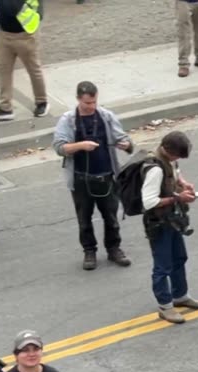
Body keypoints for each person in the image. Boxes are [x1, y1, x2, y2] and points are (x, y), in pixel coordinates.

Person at [52, 81, 135, 269]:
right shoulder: (68, 120)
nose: (91, 107)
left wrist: (127, 145)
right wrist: (81, 145)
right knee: (84, 219)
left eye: (94, 102)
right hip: (81, 179)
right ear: (78, 100)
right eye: (87, 103)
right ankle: (89, 252)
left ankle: (114, 249)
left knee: (111, 217)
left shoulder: (106, 116)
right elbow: (59, 147)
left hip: (106, 176)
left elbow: (125, 140)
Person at [140, 131, 198, 324]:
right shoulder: (155, 169)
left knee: (179, 257)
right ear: (167, 150)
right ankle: (165, 307)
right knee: (162, 267)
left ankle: (180, 295)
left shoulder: (168, 160)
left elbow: (175, 171)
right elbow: (149, 201)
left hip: (172, 220)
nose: (178, 159)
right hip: (159, 223)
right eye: (177, 155)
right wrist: (178, 197)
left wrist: (182, 183)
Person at [0, 0, 46, 122]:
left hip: (25, 35)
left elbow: (12, 7)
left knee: (34, 69)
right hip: (3, 33)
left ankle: (42, 101)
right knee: (3, 70)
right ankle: (5, 107)